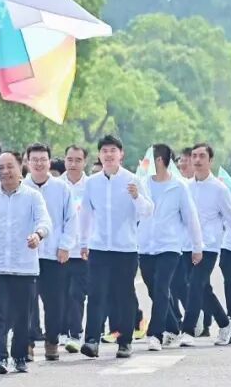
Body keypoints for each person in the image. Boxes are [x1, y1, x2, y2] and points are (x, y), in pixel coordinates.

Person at [79, 135, 154, 359]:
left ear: (121, 154)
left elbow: (148, 210)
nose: (109, 155)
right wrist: (83, 242)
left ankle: (125, 341)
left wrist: (136, 196)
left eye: (113, 150)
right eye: (104, 151)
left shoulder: (133, 180)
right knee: (96, 294)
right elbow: (86, 213)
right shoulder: (92, 182)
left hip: (125, 249)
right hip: (99, 247)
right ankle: (92, 340)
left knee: (124, 296)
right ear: (99, 155)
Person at [0, 152, 51, 374]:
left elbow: (44, 221)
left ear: (20, 167)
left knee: (23, 316)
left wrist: (38, 235)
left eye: (9, 166)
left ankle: (20, 355)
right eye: (1, 167)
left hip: (24, 267)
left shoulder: (32, 197)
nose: (5, 171)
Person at [183, 143, 231, 347]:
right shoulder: (185, 187)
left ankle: (187, 330)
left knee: (195, 285)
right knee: (202, 288)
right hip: (187, 245)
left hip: (209, 246)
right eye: (194, 156)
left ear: (210, 160)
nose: (197, 160)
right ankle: (225, 323)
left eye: (202, 156)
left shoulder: (219, 189)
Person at [136, 144, 202, 352]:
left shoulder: (179, 186)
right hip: (145, 246)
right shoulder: (142, 184)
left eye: (150, 158)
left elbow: (191, 217)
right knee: (153, 289)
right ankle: (173, 327)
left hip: (170, 246)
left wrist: (197, 246)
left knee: (162, 287)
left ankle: (155, 334)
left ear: (160, 160)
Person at [22, 144, 75, 362]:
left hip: (54, 254)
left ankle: (52, 341)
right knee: (26, 302)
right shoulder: (21, 187)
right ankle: (26, 342)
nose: (39, 163)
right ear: (27, 162)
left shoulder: (62, 188)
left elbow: (71, 219)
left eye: (43, 159)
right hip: (27, 255)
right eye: (34, 159)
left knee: (54, 302)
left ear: (49, 162)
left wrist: (65, 245)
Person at [60, 145, 90, 353]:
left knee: (76, 293)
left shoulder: (91, 185)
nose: (73, 164)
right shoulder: (56, 185)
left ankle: (75, 333)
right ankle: (61, 330)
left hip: (81, 250)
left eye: (78, 160)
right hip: (59, 249)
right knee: (59, 293)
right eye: (70, 159)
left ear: (84, 162)